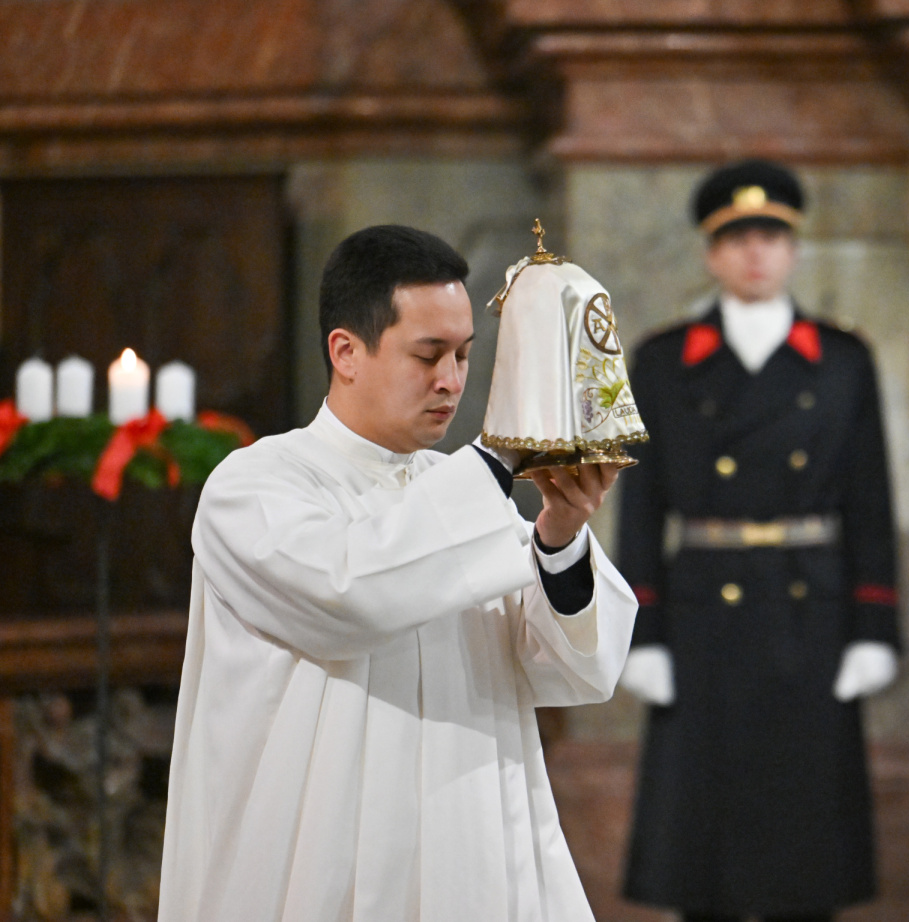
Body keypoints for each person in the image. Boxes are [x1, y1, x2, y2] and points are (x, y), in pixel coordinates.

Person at [157, 224, 637, 922]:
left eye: (465, 355)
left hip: (473, 849)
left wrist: (559, 535)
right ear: (346, 352)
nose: (452, 381)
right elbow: (354, 594)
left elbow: (574, 672)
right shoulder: (256, 487)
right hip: (324, 865)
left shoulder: (462, 494)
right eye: (428, 354)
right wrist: (502, 455)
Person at [616, 160, 902, 922]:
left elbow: (870, 500)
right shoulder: (663, 360)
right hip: (702, 617)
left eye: (771, 236)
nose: (755, 252)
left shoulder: (842, 360)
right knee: (702, 856)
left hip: (813, 612)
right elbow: (639, 508)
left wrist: (874, 626)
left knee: (804, 850)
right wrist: (640, 633)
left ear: (794, 250)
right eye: (737, 238)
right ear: (711, 253)